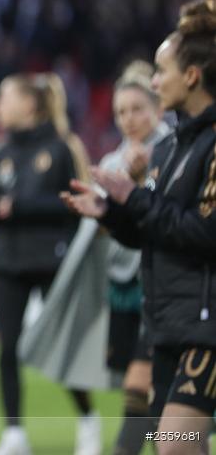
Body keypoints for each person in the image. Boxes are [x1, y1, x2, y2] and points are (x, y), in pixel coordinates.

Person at [64, 0, 216, 455]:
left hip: (205, 326)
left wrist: (136, 198)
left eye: (161, 70)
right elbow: (158, 229)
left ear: (191, 76)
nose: (154, 80)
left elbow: (206, 234)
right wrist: (113, 213)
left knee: (174, 445)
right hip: (167, 322)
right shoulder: (171, 150)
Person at [0, 73, 98, 455]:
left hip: (52, 261)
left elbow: (77, 205)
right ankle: (14, 436)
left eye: (4, 97)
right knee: (7, 350)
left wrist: (17, 208)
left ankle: (88, 421)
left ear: (28, 105)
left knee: (63, 347)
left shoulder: (63, 148)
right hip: (8, 263)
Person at [99, 61, 168, 455]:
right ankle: (188, 438)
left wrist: (142, 185)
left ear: (158, 109)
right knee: (143, 386)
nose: (129, 119)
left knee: (141, 383)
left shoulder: (176, 151)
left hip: (168, 286)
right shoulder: (111, 163)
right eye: (121, 112)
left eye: (137, 109)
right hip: (126, 286)